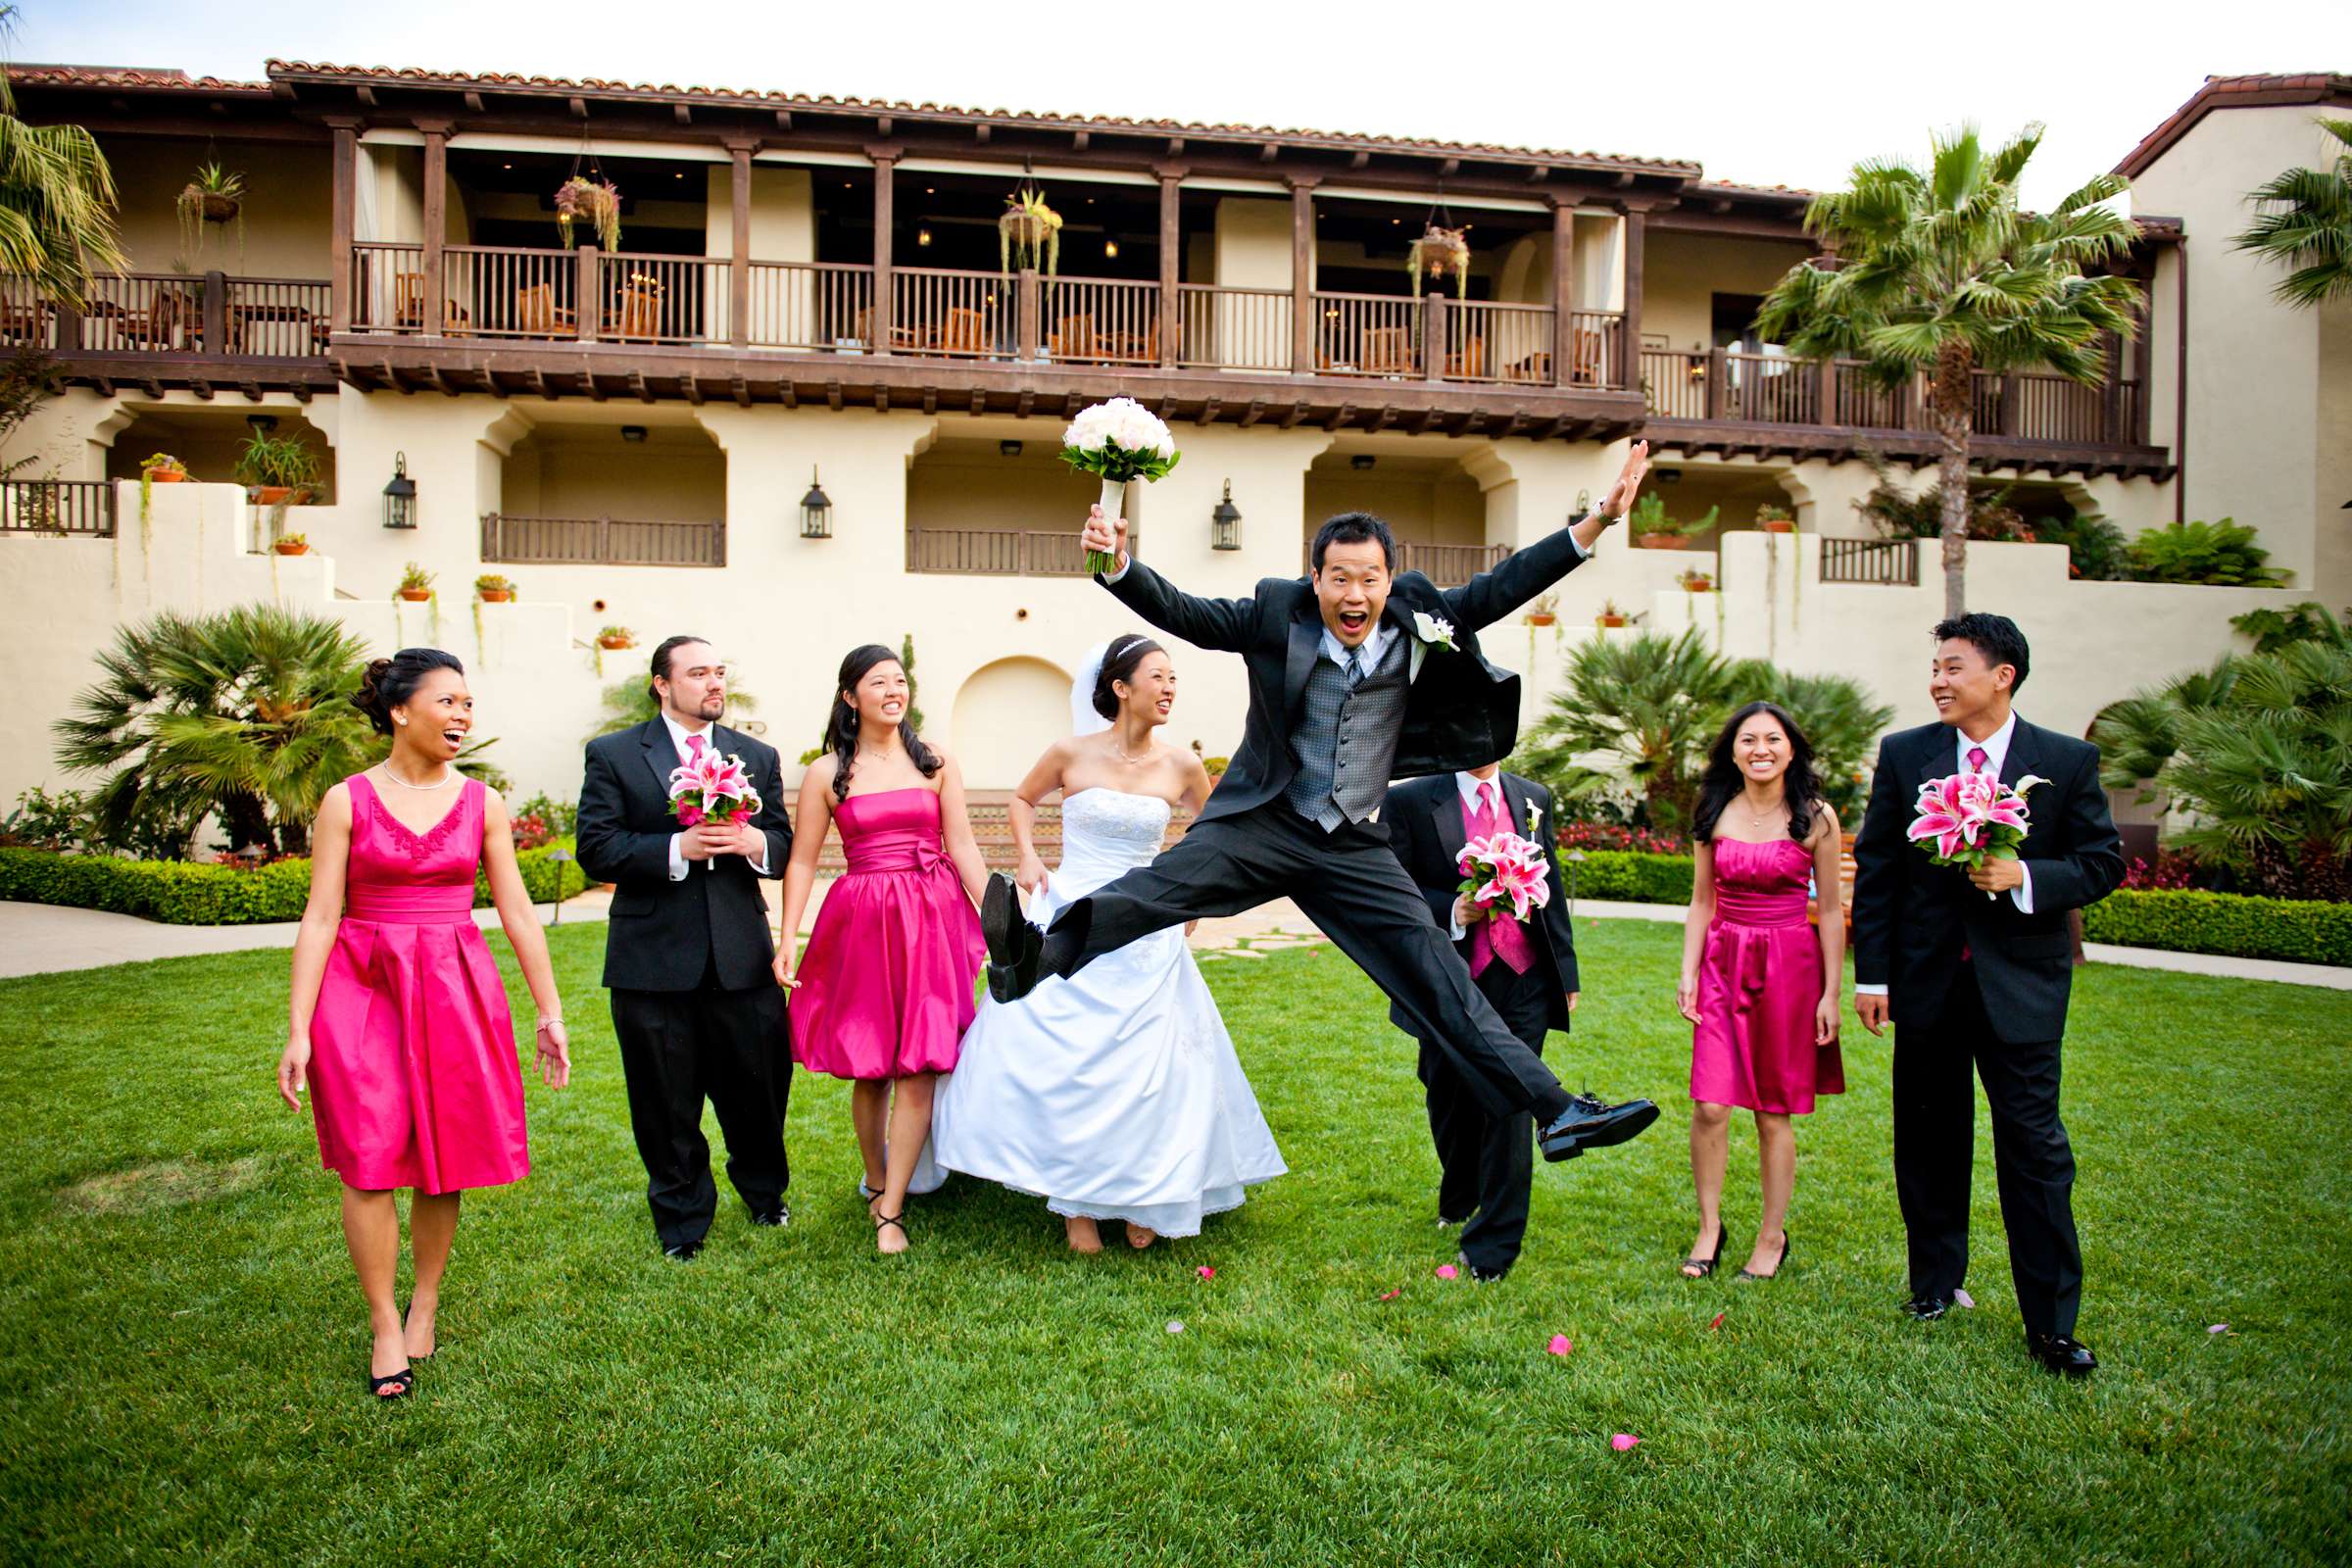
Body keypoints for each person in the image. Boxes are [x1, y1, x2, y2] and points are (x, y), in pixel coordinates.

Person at [981, 443, 1659, 1166]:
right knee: (1154, 891)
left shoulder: (1420, 619)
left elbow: (1501, 588)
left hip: (1353, 845)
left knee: (1438, 973)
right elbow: (1191, 615)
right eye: (1340, 578)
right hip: (1268, 823)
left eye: (1369, 578)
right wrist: (1118, 564)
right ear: (1317, 578)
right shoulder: (1279, 612)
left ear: (1389, 579)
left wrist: (1596, 523)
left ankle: (1557, 1113)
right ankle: (1037, 957)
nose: (1354, 595)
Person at [279, 649, 570, 1401]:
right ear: (401, 711)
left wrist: (550, 1011)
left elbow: (515, 912)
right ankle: (383, 1323)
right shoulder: (346, 801)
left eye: (468, 703)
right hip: (364, 986)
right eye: (448, 702)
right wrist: (298, 1029)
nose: (463, 716)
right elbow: (319, 917)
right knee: (371, 1154)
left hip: (453, 984)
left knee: (447, 1149)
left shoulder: (485, 803)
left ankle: (427, 1298)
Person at [934, 635, 1288, 1251]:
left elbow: (1216, 829)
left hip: (1148, 918)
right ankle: (1075, 1205)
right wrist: (1028, 857)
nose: (1170, 687)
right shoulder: (1070, 752)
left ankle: (1140, 1193)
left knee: (1147, 1067)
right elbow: (1022, 799)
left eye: (1174, 677)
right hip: (1073, 913)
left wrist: (1194, 892)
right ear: (1121, 688)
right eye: (1158, 676)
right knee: (1075, 1062)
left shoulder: (1182, 765)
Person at [1852, 612, 2123, 1377]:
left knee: (2036, 1153)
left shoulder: (2065, 762)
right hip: (1927, 985)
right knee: (1929, 1141)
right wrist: (1873, 977)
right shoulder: (1906, 756)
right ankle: (1934, 1286)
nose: (1937, 681)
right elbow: (1878, 871)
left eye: (1953, 667)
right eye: (1934, 668)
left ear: (2002, 675)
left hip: (2023, 990)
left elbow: (2101, 862)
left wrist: (2027, 877)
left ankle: (2052, 1324)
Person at [577, 635, 794, 1262]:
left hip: (740, 954)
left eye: (719, 672)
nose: (714, 683)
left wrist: (751, 843)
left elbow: (783, 843)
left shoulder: (755, 755)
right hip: (652, 959)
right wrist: (677, 850)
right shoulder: (615, 754)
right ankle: (681, 1222)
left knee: (759, 1087)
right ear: (663, 685)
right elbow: (596, 846)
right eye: (698, 673)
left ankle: (764, 1192)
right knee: (663, 1100)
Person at [1384, 760, 1640, 1283]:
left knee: (1510, 1100)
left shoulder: (1531, 796)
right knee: (1446, 1092)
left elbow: (1553, 887)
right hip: (1448, 977)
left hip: (1524, 976)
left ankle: (1495, 1241)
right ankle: (1461, 1196)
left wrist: (1564, 971)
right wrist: (1453, 910)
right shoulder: (1410, 799)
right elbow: (1391, 886)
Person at [774, 644, 988, 1254]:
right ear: (850, 697)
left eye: (901, 681)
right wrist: (788, 940)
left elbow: (965, 846)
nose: (895, 690)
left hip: (932, 917)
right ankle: (875, 1178)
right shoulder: (825, 773)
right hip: (863, 923)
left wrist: (998, 918)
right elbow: (803, 862)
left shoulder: (937, 761)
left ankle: (892, 1209)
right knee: (871, 1069)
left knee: (920, 1063)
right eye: (879, 682)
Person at [1675, 702, 1846, 1283]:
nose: (1760, 749)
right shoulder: (1713, 811)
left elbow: (1829, 910)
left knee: (1774, 1112)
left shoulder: (1817, 817)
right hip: (1724, 960)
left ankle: (1772, 1236)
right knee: (1710, 1104)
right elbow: (1702, 900)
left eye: (1773, 739)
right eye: (1748, 740)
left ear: (1792, 749)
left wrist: (1831, 994)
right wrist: (1689, 972)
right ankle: (1709, 1227)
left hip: (1790, 969)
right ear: (1733, 751)